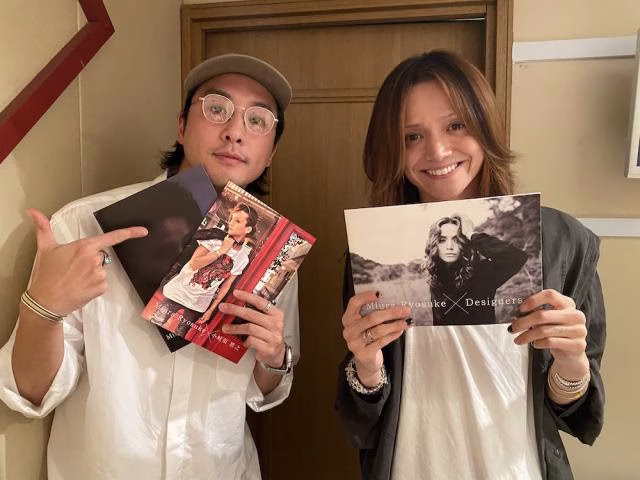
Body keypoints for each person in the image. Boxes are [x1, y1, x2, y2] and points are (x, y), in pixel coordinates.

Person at [0, 53, 299, 480]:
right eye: (217, 109)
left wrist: (272, 358)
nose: (235, 131)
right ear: (181, 125)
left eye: (258, 120)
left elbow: (264, 392)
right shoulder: (85, 226)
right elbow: (30, 393)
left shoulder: (275, 250)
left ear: (271, 152)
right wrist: (41, 309)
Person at [336, 50, 605, 479]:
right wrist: (365, 367)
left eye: (455, 125)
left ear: (484, 127)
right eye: (412, 136)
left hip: (516, 468)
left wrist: (572, 363)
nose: (438, 150)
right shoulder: (378, 247)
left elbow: (573, 413)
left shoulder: (561, 241)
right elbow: (363, 418)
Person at [161, 202, 257, 332]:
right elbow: (194, 264)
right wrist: (221, 251)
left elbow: (226, 285)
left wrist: (211, 309)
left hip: (198, 305)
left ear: (248, 229)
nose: (231, 223)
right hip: (177, 293)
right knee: (155, 323)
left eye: (237, 221)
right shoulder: (214, 239)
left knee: (179, 335)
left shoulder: (242, 258)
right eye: (231, 219)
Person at [424, 214, 528, 325]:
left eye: (456, 240)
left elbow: (517, 256)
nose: (449, 246)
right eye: (442, 240)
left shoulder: (481, 272)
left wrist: (470, 233)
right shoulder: (436, 278)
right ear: (434, 244)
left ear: (464, 243)